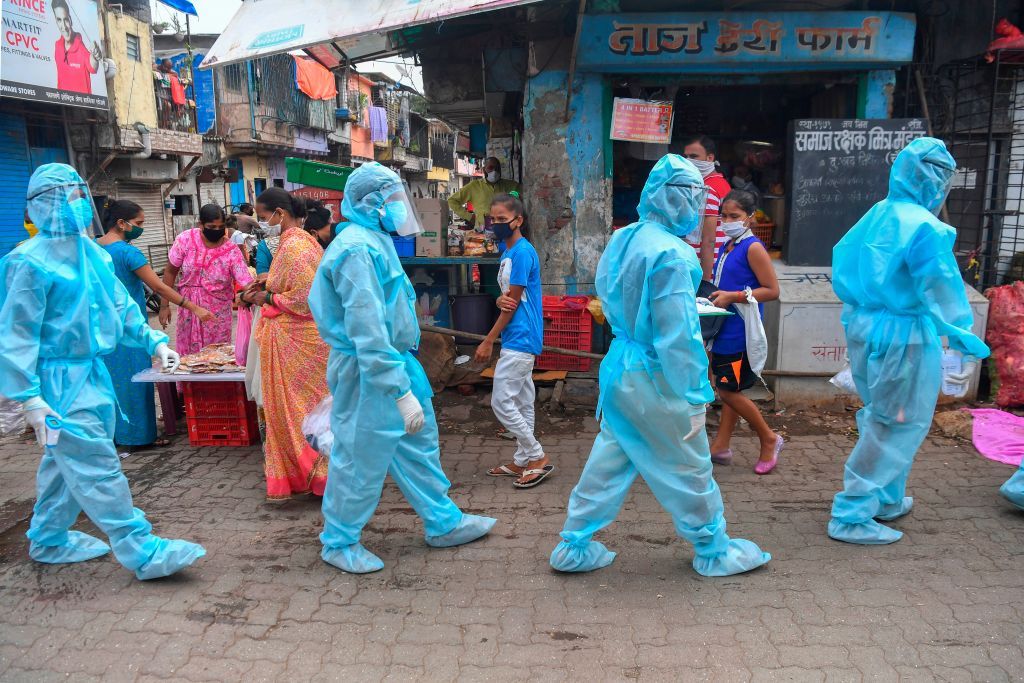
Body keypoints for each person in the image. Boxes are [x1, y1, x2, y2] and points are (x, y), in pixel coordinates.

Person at [549, 154, 771, 577]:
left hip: (621, 369)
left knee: (611, 458)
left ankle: (573, 544)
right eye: (695, 196)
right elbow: (676, 334)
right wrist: (694, 390)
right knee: (688, 464)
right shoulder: (672, 255)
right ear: (680, 199)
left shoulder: (624, 238)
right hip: (657, 375)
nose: (698, 208)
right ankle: (712, 547)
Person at [0, 163, 204, 579]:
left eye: (80, 195)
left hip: (92, 375)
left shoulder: (91, 252)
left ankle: (48, 537)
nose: (76, 205)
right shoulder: (27, 263)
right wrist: (30, 398)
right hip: (56, 384)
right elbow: (16, 335)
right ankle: (141, 549)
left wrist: (154, 341)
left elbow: (119, 308)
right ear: (39, 206)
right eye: (66, 197)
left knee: (64, 460)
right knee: (96, 462)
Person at [309, 162, 496, 574]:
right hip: (369, 372)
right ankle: (339, 540)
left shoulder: (374, 239)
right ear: (372, 203)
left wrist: (402, 383)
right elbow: (367, 330)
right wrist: (397, 389)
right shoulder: (356, 249)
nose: (399, 207)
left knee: (419, 445)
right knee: (360, 456)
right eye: (392, 199)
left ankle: (443, 522)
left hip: (395, 364)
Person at [829, 137, 990, 545]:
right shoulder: (926, 227)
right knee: (895, 422)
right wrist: (960, 333)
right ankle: (852, 511)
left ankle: (886, 497)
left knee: (884, 414)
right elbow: (939, 286)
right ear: (937, 181)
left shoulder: (876, 214)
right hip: (905, 335)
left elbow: (843, 262)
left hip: (865, 326)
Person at [96, 200, 213, 449]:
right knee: (136, 380)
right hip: (131, 327)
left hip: (102, 327)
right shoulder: (128, 253)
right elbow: (159, 286)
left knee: (110, 381)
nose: (141, 228)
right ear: (121, 223)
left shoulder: (94, 249)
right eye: (138, 224)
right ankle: (139, 437)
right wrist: (193, 307)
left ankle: (115, 434)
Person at [242, 190, 330, 500]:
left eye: (264, 217)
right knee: (308, 410)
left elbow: (303, 298)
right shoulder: (304, 240)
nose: (262, 223)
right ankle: (317, 474)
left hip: (296, 340)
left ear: (280, 212)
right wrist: (267, 282)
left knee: (297, 412)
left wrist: (264, 297)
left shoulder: (293, 245)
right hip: (303, 339)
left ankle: (316, 474)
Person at [475, 194, 551, 488]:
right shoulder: (506, 254)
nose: (496, 224)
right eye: (493, 219)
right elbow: (507, 299)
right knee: (522, 399)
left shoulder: (522, 253)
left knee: (501, 401)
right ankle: (522, 460)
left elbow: (514, 304)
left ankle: (536, 455)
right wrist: (499, 300)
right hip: (516, 335)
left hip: (521, 336)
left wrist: (488, 340)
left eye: (502, 219)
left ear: (518, 221)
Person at [706, 190, 784, 474]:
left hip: (739, 332)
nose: (727, 221)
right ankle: (721, 446)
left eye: (734, 216)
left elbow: (772, 291)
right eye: (724, 216)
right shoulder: (729, 245)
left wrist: (732, 296)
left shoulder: (752, 247)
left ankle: (769, 438)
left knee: (727, 391)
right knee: (731, 388)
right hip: (724, 327)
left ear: (750, 218)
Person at [159, 203, 253, 355]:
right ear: (200, 224)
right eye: (211, 227)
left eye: (220, 227)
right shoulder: (185, 240)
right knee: (188, 356)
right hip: (188, 308)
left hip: (217, 313)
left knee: (217, 356)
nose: (217, 231)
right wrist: (164, 305)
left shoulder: (231, 250)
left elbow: (246, 281)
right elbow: (170, 272)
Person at [682, 136, 730, 280]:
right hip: (714, 264)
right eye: (686, 156)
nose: (689, 161)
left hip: (706, 268)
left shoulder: (707, 189)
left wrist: (705, 281)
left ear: (710, 158)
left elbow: (709, 240)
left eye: (694, 156)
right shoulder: (720, 183)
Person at [447, 157, 521, 229]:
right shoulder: (474, 186)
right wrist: (469, 216)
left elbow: (522, 191)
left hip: (505, 230)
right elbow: (452, 201)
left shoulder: (508, 185)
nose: (494, 171)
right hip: (482, 232)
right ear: (484, 170)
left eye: (497, 168)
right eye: (490, 168)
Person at [53, 0, 101, 95]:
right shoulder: (57, 45)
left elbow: (92, 67)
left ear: (70, 20)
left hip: (83, 106)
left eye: (65, 19)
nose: (64, 27)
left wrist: (95, 56)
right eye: (59, 20)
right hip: (62, 106)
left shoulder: (80, 46)